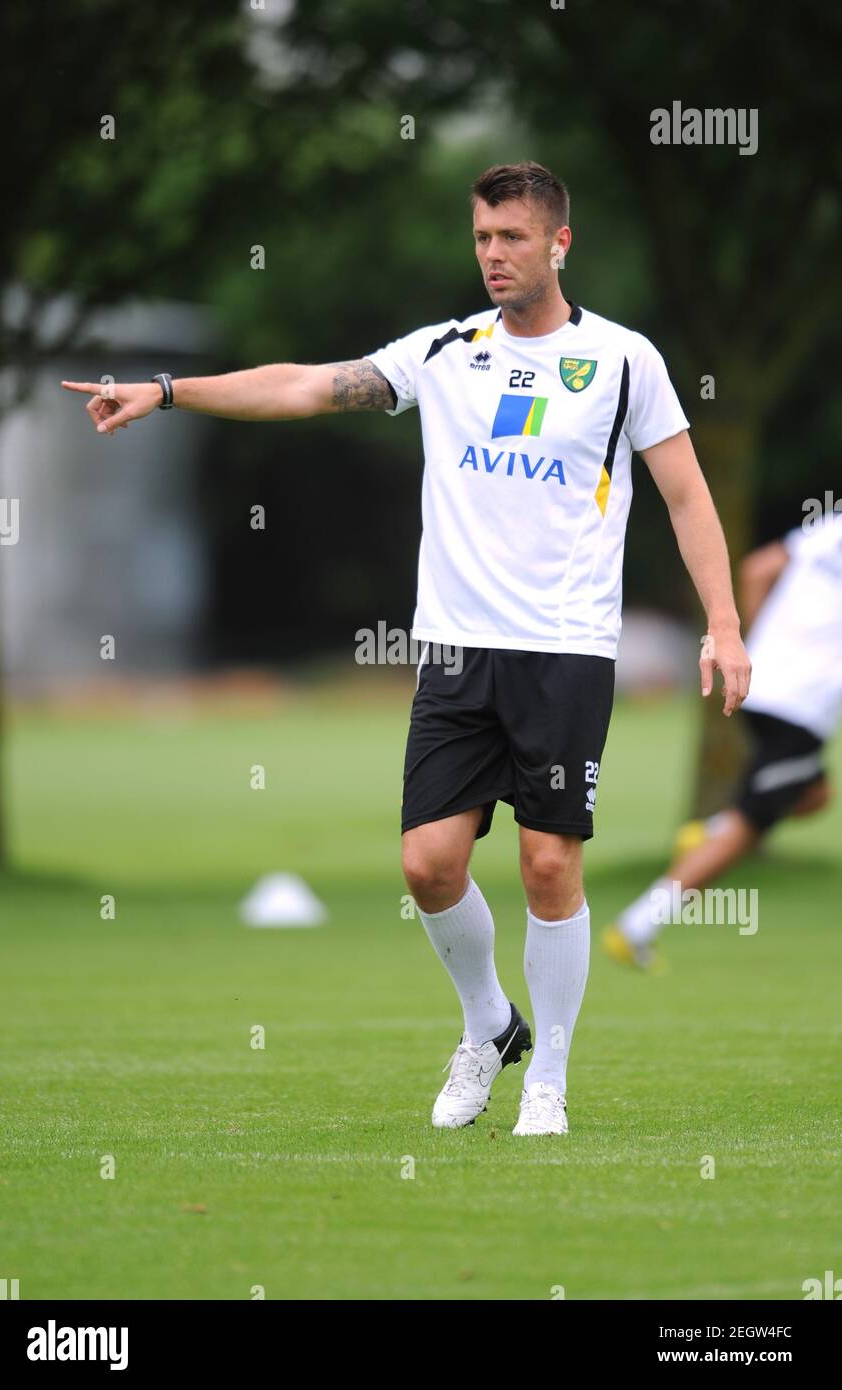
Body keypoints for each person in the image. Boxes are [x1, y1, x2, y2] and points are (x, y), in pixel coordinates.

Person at [62, 161, 750, 1135]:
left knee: (550, 867)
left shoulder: (625, 361)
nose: (493, 256)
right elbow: (303, 385)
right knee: (428, 865)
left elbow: (686, 495)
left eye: (512, 237)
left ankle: (547, 1077)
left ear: (560, 242)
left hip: (563, 649)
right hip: (456, 651)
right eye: (481, 237)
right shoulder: (442, 352)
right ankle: (489, 1026)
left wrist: (722, 626)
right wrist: (168, 391)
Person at [605, 511, 840, 969]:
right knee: (751, 824)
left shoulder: (830, 527)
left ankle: (712, 832)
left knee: (815, 793)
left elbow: (757, 569)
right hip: (801, 706)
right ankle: (636, 928)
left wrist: (762, 642)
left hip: (768, 685)